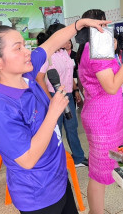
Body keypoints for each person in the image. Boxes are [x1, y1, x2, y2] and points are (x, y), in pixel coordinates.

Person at [0, 19, 108, 213]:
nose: (27, 52)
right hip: (38, 195)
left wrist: (78, 25)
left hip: (58, 179)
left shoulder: (27, 75)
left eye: (25, 45)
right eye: (18, 48)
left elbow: (51, 43)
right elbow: (27, 159)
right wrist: (53, 112)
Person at [76, 9, 123, 214]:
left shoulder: (91, 47)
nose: (106, 29)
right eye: (104, 24)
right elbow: (112, 86)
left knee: (101, 169)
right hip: (102, 117)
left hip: (107, 114)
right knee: (98, 172)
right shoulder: (94, 48)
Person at [36, 23, 88, 168]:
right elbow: (39, 78)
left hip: (68, 94)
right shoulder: (47, 55)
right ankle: (54, 161)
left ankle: (78, 157)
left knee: (72, 126)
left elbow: (69, 74)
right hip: (53, 95)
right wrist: (50, 99)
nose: (68, 38)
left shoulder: (64, 52)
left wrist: (75, 90)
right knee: (55, 130)